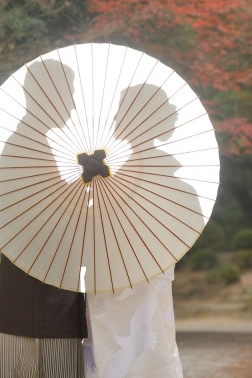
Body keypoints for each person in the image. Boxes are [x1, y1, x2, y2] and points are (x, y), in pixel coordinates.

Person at [0, 56, 88, 377]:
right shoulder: (26, 147)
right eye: (69, 94)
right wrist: (84, 195)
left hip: (33, 295)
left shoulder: (29, 144)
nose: (73, 106)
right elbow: (46, 220)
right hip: (42, 299)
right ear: (48, 96)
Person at [83, 84, 189, 378]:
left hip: (128, 275)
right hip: (123, 275)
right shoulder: (119, 176)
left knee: (134, 350)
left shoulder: (115, 177)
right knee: (148, 348)